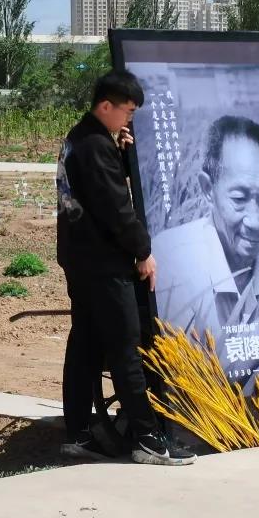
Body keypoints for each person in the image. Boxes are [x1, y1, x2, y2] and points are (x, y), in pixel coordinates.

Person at [56, 69, 196, 466]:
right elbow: (116, 208)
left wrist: (119, 155)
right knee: (125, 348)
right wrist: (142, 251)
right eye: (128, 111)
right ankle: (148, 439)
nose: (130, 119)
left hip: (81, 260)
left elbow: (95, 191)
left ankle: (79, 433)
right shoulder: (96, 147)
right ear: (106, 106)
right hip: (104, 265)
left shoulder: (83, 139)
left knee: (85, 345)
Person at [153, 116, 259, 394]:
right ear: (208, 189)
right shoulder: (173, 262)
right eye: (239, 199)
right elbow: (185, 387)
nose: (254, 221)